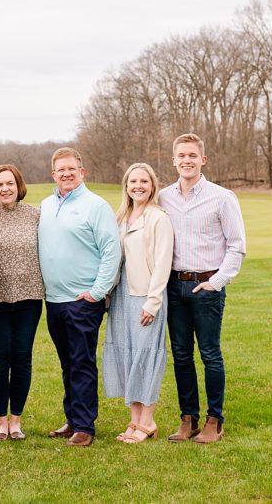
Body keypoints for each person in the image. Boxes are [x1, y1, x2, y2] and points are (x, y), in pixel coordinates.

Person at [157, 133, 246, 444]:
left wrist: (216, 282)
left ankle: (214, 420)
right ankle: (188, 418)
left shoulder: (222, 197)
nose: (187, 160)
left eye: (192, 155)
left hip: (206, 286)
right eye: (181, 156)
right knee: (181, 355)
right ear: (174, 160)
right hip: (174, 285)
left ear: (202, 160)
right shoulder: (163, 197)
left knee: (210, 354)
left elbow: (237, 246)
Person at [38, 147, 120, 447]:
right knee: (66, 362)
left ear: (82, 172)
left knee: (82, 361)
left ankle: (85, 426)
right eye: (61, 169)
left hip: (83, 300)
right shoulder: (46, 205)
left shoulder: (96, 206)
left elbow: (112, 252)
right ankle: (73, 419)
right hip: (54, 300)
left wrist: (98, 292)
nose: (67, 173)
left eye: (72, 168)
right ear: (53, 174)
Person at [102, 163, 173, 444]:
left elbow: (162, 264)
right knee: (128, 356)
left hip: (146, 296)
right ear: (126, 185)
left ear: (152, 186)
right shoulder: (122, 217)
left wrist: (153, 302)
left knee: (146, 356)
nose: (138, 186)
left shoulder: (159, 218)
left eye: (144, 181)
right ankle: (134, 421)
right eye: (133, 181)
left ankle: (148, 421)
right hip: (121, 296)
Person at [0, 163, 43, 441]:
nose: (5, 189)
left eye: (9, 183)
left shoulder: (35, 215)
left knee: (21, 358)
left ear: (19, 186)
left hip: (29, 297)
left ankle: (16, 421)